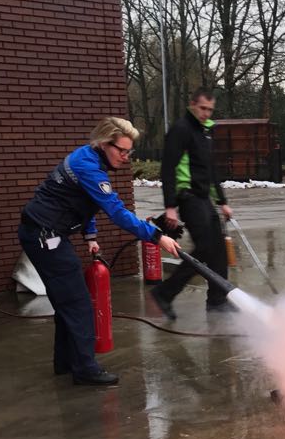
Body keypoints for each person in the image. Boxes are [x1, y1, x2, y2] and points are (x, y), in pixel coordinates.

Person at [19, 117, 179, 386]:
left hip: (44, 233)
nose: (126, 157)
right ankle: (85, 370)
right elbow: (116, 212)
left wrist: (90, 236)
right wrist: (156, 236)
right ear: (105, 144)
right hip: (45, 236)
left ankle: (65, 363)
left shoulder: (88, 157)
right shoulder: (89, 168)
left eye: (129, 152)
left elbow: (85, 202)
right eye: (122, 151)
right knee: (79, 304)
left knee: (66, 302)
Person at [151, 87, 233, 319]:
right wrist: (170, 206)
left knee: (218, 249)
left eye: (210, 110)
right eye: (202, 108)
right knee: (205, 248)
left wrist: (223, 201)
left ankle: (218, 300)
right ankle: (164, 293)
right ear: (193, 105)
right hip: (188, 197)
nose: (206, 113)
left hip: (204, 198)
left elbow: (211, 169)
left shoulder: (204, 132)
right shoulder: (181, 130)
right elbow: (167, 169)